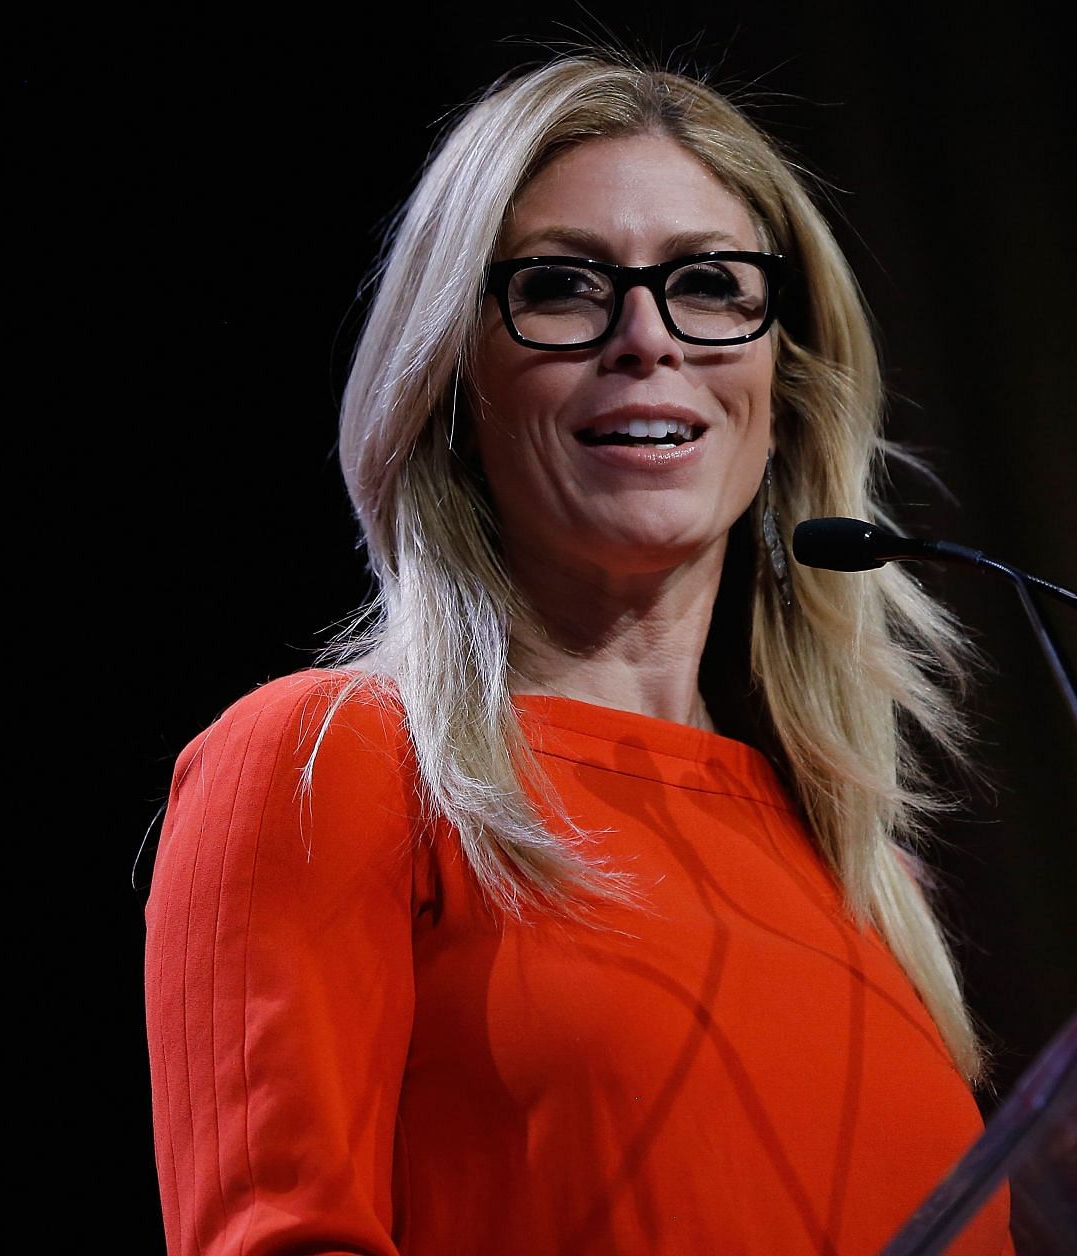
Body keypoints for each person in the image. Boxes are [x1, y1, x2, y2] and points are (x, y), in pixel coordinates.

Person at [144, 53, 1011, 1255]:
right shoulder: (325, 764)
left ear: (786, 378)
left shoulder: (865, 872)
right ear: (452, 382)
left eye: (711, 283)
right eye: (561, 286)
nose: (648, 337)